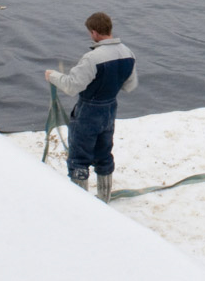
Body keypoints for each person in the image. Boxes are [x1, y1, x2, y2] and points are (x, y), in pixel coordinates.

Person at [44, 12, 138, 203]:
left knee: (79, 158)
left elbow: (71, 86)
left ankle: (82, 205)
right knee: (104, 154)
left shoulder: (92, 58)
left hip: (88, 111)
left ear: (94, 32)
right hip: (110, 109)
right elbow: (130, 86)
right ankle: (104, 199)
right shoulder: (128, 53)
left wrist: (52, 76)